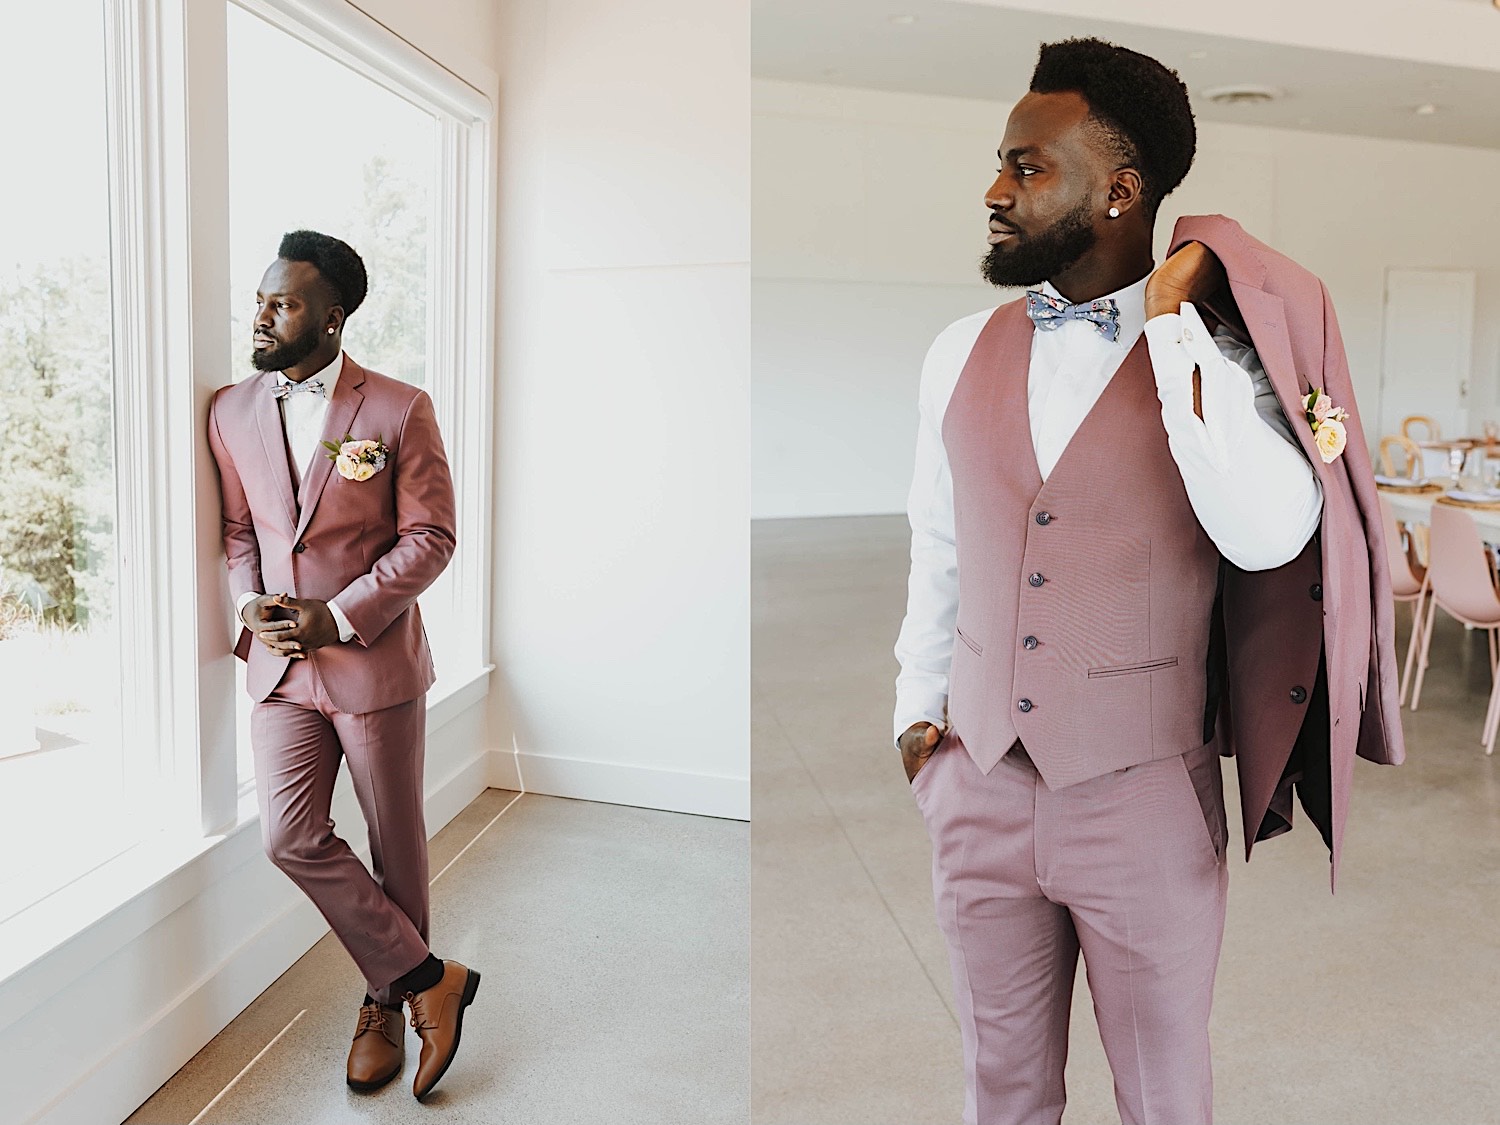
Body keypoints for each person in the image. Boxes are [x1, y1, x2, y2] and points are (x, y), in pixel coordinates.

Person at [893, 38, 1402, 1125]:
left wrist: (1175, 327)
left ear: (1121, 191)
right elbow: (938, 544)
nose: (995, 191)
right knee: (1000, 1088)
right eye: (1001, 163)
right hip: (976, 779)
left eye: (1028, 168)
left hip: (1141, 801)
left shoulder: (1226, 365)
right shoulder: (954, 351)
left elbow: (1268, 536)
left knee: (1163, 1096)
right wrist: (916, 721)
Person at [207, 230, 479, 1101]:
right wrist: (252, 602)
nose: (260, 314)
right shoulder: (229, 410)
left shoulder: (398, 409)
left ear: (329, 318)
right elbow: (242, 530)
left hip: (374, 665)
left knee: (395, 844)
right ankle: (424, 976)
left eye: (280, 303)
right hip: (281, 672)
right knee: (290, 835)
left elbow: (430, 537)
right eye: (259, 298)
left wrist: (344, 613)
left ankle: (382, 1003)